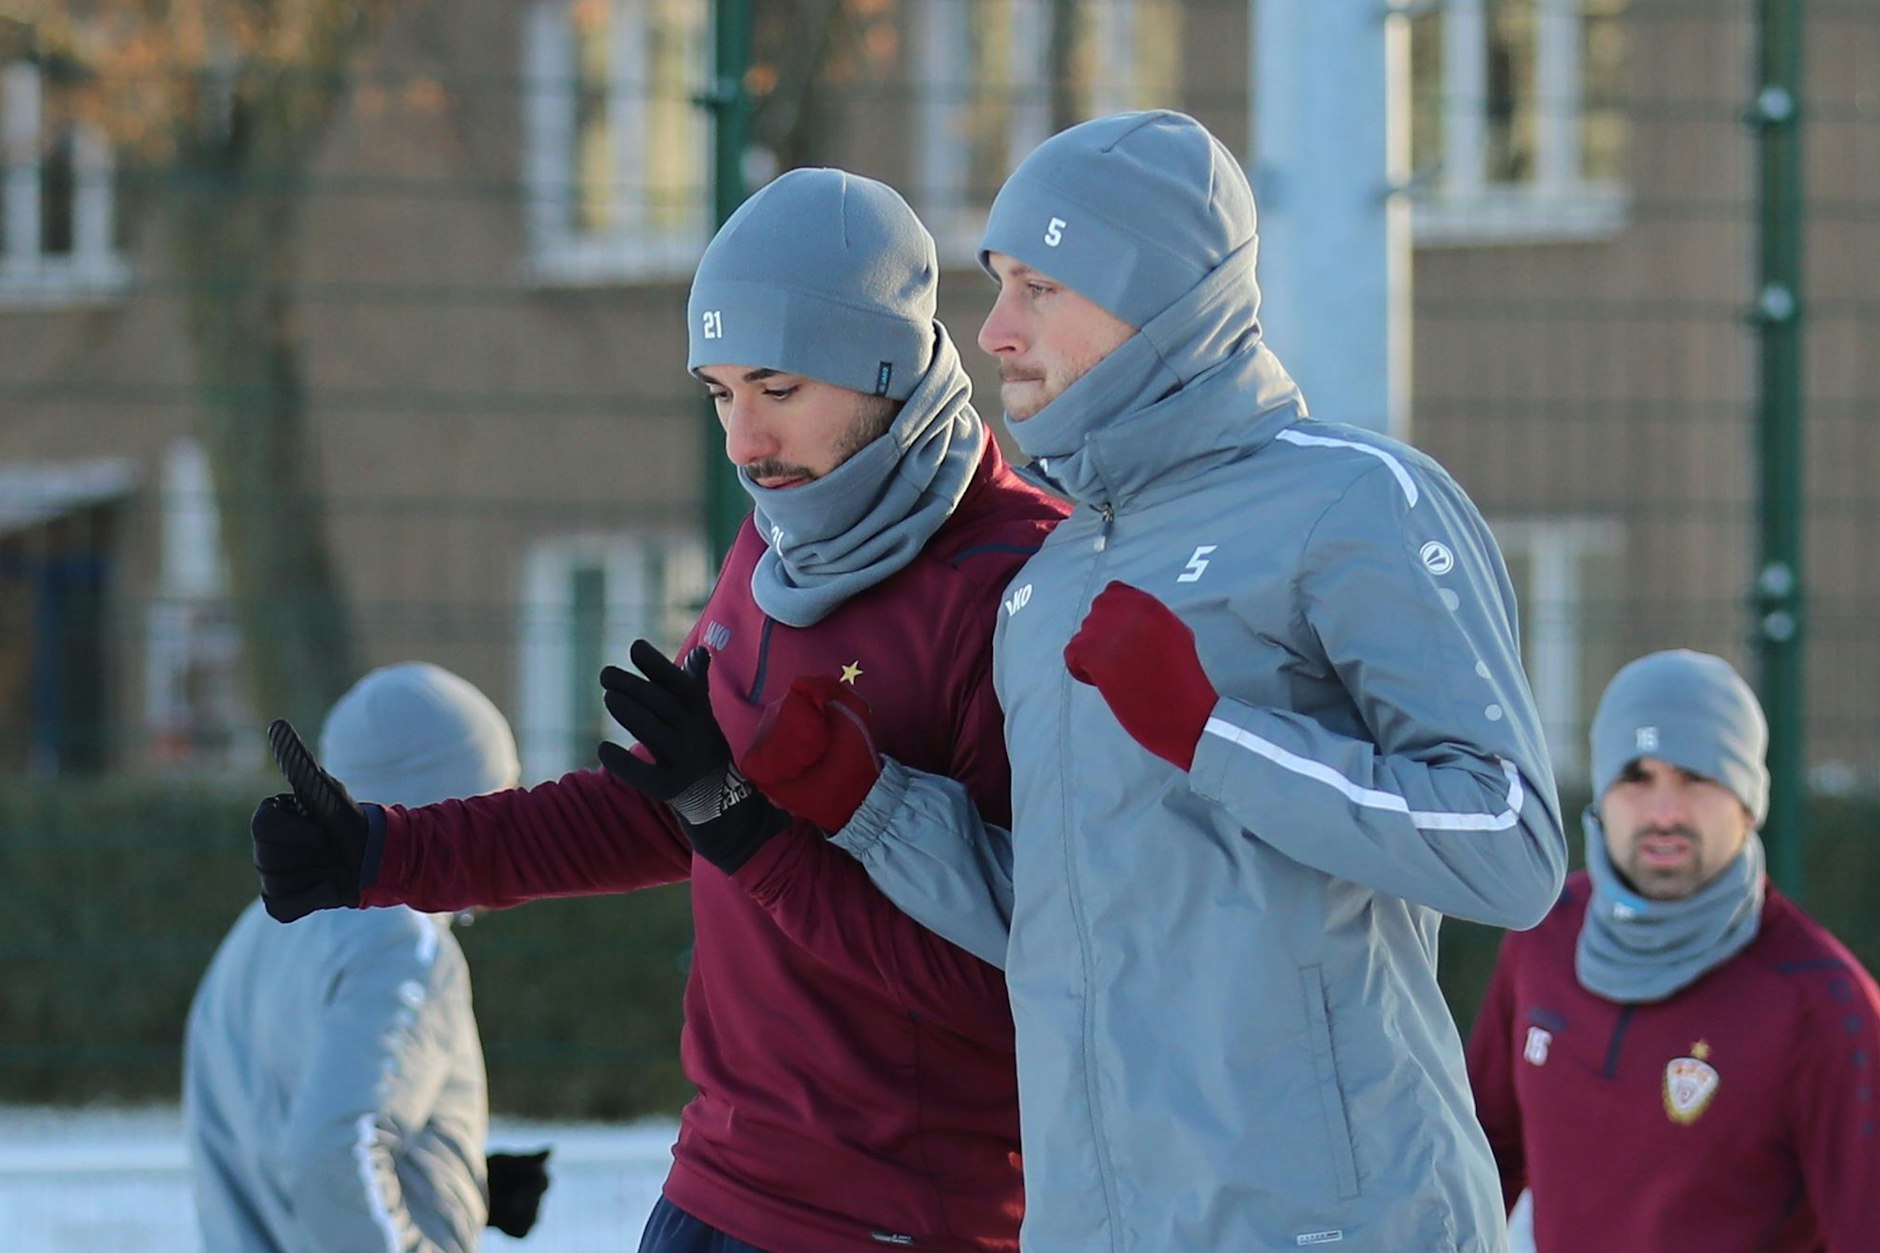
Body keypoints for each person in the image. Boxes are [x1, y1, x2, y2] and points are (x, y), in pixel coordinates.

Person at [738, 110, 1568, 1252]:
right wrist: (873, 808)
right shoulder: (1053, 576)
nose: (994, 331)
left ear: (1160, 300)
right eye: (997, 284)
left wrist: (1214, 733)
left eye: (1038, 286)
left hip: (1330, 1222)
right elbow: (1069, 922)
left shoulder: (1353, 502)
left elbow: (1510, 846)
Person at [248, 168, 1067, 1253]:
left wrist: (749, 832)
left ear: (888, 366)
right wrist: (383, 851)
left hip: (902, 1217)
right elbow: (655, 807)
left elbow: (1031, 988)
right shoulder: (777, 546)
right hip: (712, 1187)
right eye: (719, 393)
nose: (743, 440)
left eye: (776, 387)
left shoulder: (1022, 587)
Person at [1466, 649, 1880, 1252]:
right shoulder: (1543, 935)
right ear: (1602, 795)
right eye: (1636, 777)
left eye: (1697, 777)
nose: (1664, 812)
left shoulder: (1824, 1007)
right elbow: (1482, 1160)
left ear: (1747, 802)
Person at [185, 662, 550, 1252]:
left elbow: (287, 1126)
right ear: (454, 804)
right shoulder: (403, 944)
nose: (504, 831)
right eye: (496, 804)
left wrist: (456, 1175)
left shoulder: (260, 932)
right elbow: (332, 1155)